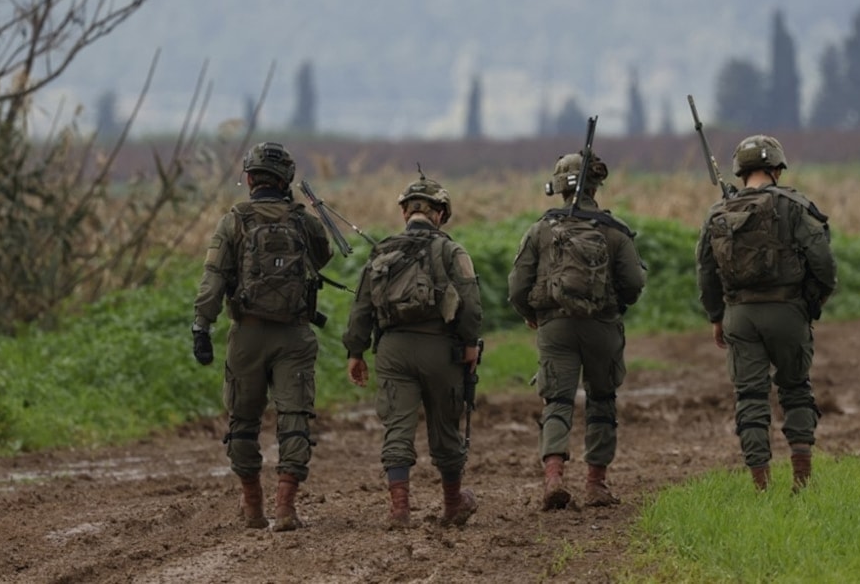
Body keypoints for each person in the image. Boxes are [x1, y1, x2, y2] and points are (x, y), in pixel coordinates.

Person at [192, 141, 333, 531]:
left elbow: (213, 278)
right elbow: (324, 257)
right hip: (294, 335)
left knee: (243, 421)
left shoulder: (234, 220)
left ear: (250, 178)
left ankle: (253, 507)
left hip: (247, 336)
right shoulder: (302, 220)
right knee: (295, 418)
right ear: (286, 179)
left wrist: (202, 326)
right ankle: (286, 508)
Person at [695, 134, 837, 493]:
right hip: (788, 310)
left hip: (739, 316)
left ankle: (761, 486)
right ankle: (802, 481)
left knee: (750, 396)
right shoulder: (794, 205)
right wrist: (814, 301)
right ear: (776, 169)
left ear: (740, 172)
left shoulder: (719, 213)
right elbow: (822, 260)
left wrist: (716, 317)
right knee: (795, 388)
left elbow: (706, 271)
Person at [507, 151, 647, 511]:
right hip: (602, 325)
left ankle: (553, 478)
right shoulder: (615, 231)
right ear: (597, 184)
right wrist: (616, 307)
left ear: (558, 187)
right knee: (602, 399)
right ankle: (596, 485)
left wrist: (532, 315)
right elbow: (633, 281)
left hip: (556, 327)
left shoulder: (540, 230)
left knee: (557, 400)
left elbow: (517, 287)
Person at [343, 171, 483, 528]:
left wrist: (356, 352)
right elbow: (469, 301)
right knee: (446, 429)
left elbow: (361, 308)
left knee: (397, 428)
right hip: (441, 350)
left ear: (406, 212)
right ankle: (452, 505)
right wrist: (469, 345)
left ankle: (399, 510)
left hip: (392, 352)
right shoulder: (452, 250)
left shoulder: (382, 252)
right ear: (440, 213)